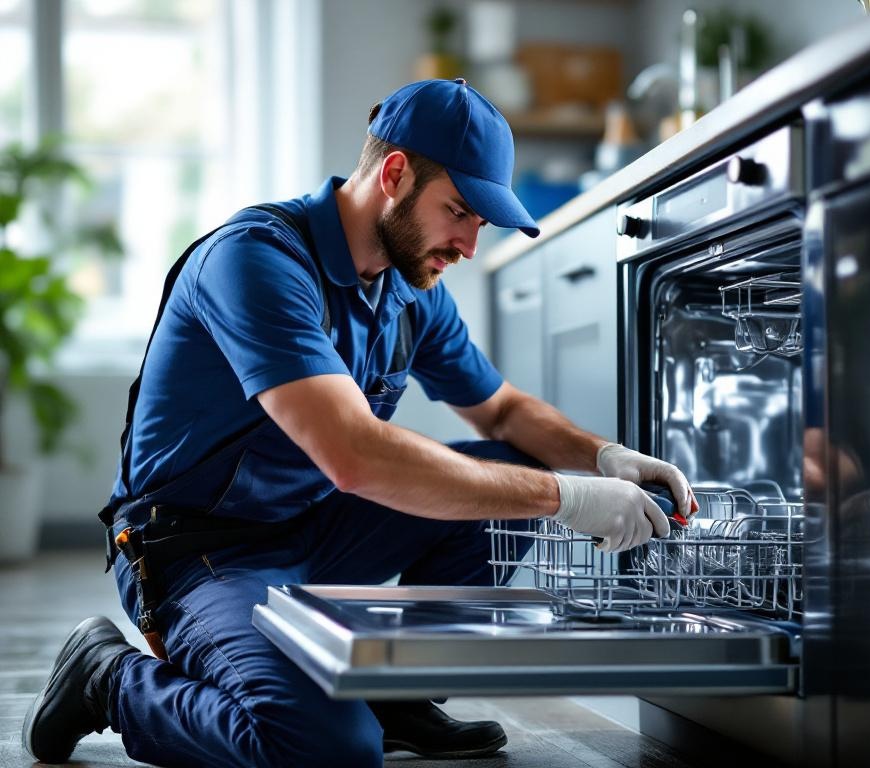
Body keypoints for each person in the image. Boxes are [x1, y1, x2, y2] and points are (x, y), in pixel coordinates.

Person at [22, 78, 698, 768]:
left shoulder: (408, 289)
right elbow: (355, 455)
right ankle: (107, 678)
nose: (467, 244)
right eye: (458, 211)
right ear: (396, 174)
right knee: (324, 750)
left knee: (519, 469)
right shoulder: (256, 260)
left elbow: (500, 409)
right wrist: (570, 497)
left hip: (318, 527)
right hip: (200, 556)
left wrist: (602, 456)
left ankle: (399, 696)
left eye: (480, 224)